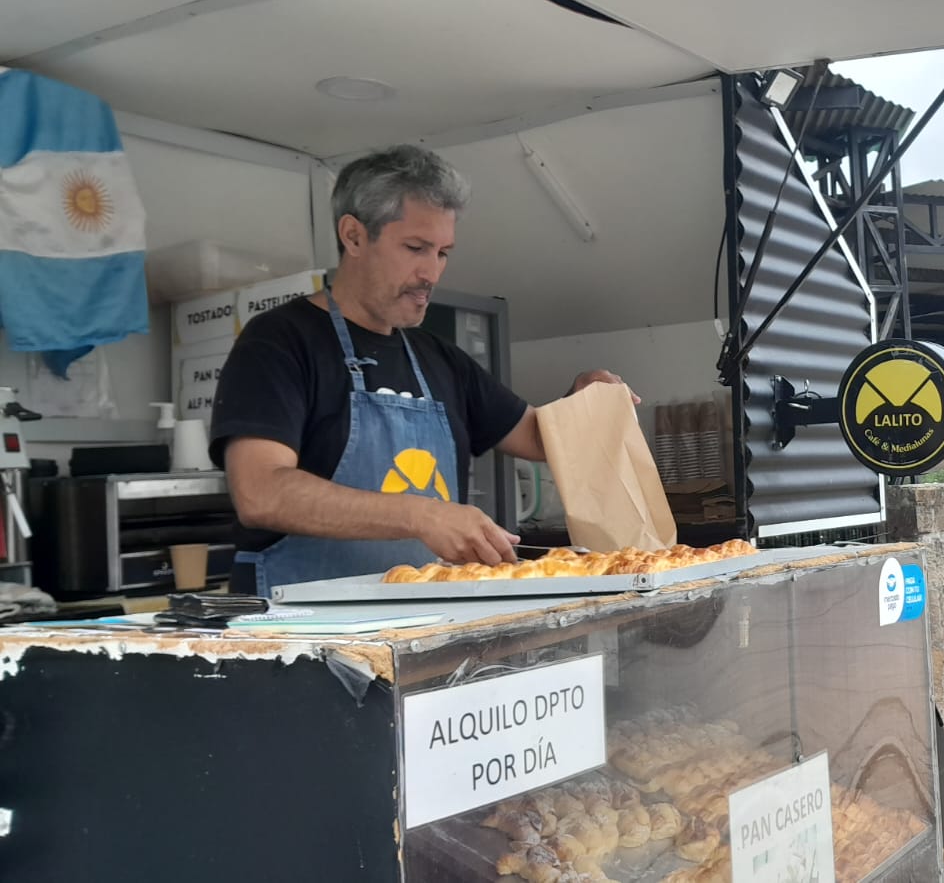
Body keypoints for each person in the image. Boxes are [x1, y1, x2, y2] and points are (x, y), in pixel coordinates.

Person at [210, 144, 633, 595]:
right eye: (415, 248)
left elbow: (537, 437)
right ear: (353, 236)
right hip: (296, 628)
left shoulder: (440, 359)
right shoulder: (278, 342)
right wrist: (421, 514)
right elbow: (261, 492)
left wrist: (582, 401)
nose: (431, 273)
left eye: (443, 252)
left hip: (423, 623)